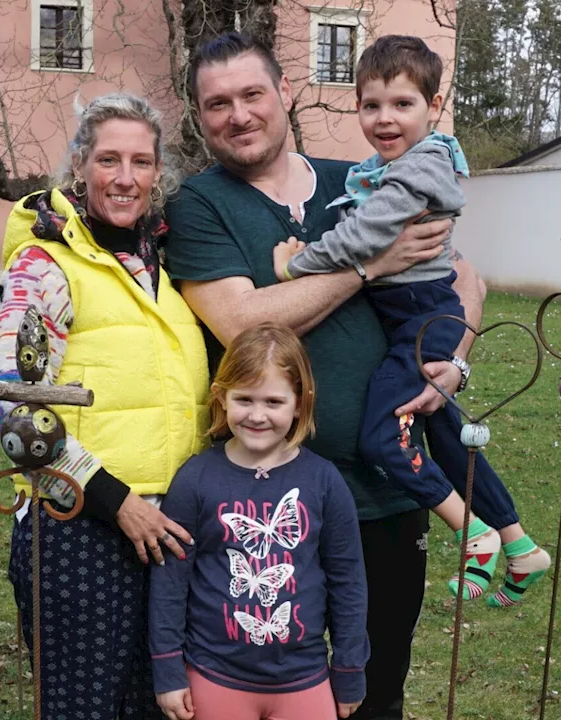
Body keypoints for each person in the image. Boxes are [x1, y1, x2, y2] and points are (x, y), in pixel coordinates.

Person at [162, 32, 479, 719]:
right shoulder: (199, 206)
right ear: (199, 116)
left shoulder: (362, 177)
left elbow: (465, 275)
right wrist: (369, 264)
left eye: (252, 94)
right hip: (269, 507)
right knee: (277, 689)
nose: (238, 114)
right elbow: (246, 325)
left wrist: (455, 359)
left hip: (387, 491)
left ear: (285, 96)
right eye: (217, 104)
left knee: (376, 689)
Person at [271, 35, 550, 606]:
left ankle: (472, 536)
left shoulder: (417, 169)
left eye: (402, 104)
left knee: (383, 437)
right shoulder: (392, 166)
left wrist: (296, 264)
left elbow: (366, 236)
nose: (385, 118)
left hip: (424, 320)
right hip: (418, 319)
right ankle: (520, 545)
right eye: (372, 105)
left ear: (434, 104)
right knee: (446, 435)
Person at [0, 92, 210, 718]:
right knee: (84, 706)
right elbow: (13, 413)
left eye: (142, 162)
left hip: (167, 526)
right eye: (109, 159)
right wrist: (117, 502)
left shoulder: (158, 264)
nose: (126, 177)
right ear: (80, 167)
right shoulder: (45, 265)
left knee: (159, 704)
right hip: (79, 528)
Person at [149, 323, 367, 720]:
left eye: (273, 402)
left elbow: (348, 580)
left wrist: (350, 668)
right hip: (214, 676)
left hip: (305, 678)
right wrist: (167, 670)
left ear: (300, 403)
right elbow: (170, 583)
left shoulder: (324, 481)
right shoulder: (195, 479)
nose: (257, 415)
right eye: (244, 399)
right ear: (221, 398)